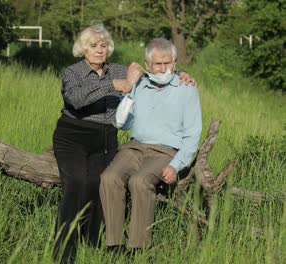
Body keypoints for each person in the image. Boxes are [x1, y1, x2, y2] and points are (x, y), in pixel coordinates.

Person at [52, 23, 195, 263]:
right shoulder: (72, 73)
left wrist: (179, 74)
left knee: (99, 183)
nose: (99, 50)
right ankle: (64, 250)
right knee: (76, 181)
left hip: (104, 137)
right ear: (83, 49)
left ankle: (94, 244)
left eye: (103, 45)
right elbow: (75, 99)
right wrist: (113, 85)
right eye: (93, 46)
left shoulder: (118, 69)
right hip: (73, 134)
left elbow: (153, 73)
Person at [99, 38, 202, 254]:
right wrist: (128, 95)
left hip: (164, 152)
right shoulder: (138, 85)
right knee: (109, 177)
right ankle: (114, 245)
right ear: (148, 65)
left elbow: (193, 134)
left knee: (140, 181)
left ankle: (138, 248)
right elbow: (124, 123)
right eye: (158, 64)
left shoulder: (187, 88)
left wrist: (176, 165)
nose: (164, 69)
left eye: (168, 63)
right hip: (134, 148)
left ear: (175, 63)